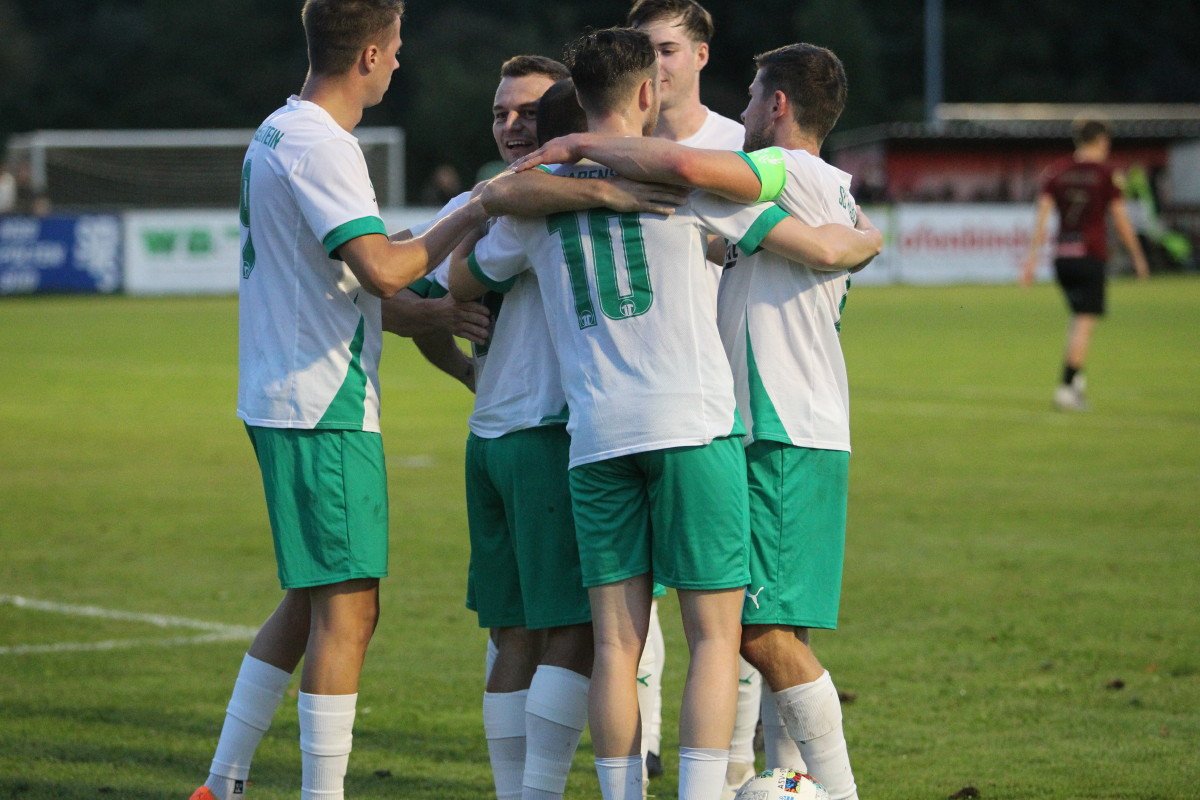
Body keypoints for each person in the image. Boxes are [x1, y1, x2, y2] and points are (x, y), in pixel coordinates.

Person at [452, 28, 879, 800]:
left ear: (577, 100)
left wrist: (546, 183)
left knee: (616, 643)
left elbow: (460, 274)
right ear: (648, 93)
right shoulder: (693, 191)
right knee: (715, 639)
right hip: (695, 429)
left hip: (595, 438)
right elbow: (815, 246)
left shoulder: (531, 209)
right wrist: (866, 238)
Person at [189, 2, 489, 799]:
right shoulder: (324, 144)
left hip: (285, 393)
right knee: (351, 612)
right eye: (394, 50)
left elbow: (358, 285)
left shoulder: (279, 129)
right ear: (366, 55)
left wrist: (433, 320)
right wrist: (480, 208)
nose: (399, 63)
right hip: (321, 403)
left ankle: (224, 781)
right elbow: (384, 272)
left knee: (311, 601)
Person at [394, 55, 687, 800]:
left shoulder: (491, 205)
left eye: (527, 111)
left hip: (496, 439)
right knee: (575, 632)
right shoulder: (526, 202)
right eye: (500, 113)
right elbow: (399, 300)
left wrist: (450, 336)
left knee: (518, 636)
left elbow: (412, 286)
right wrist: (452, 349)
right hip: (543, 431)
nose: (512, 124)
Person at [626, 3, 776, 789]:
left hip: (730, 403)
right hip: (638, 405)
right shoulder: (619, 147)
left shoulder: (736, 145)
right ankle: (646, 751)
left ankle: (737, 761)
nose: (658, 64)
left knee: (733, 609)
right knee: (631, 608)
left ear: (701, 54)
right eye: (645, 50)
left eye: (670, 48)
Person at [1020, 118, 1150, 411]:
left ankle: (1077, 384)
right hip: (1090, 255)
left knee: (1077, 319)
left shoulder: (1057, 172)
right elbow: (1120, 219)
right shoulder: (1106, 174)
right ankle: (1066, 388)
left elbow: (1041, 218)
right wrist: (1138, 256)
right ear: (1102, 141)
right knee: (1084, 323)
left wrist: (1030, 260)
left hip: (1062, 257)